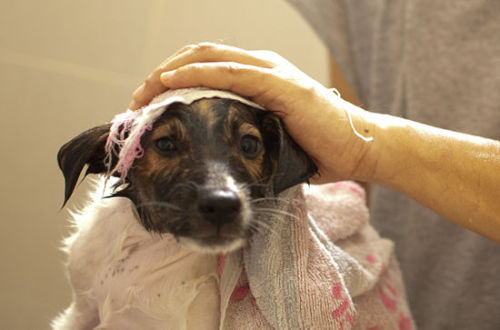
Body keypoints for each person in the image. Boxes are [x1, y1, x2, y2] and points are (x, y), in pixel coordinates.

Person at [128, 3, 500, 329]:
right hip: (401, 293)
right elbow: (357, 182)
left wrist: (364, 148)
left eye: (247, 146)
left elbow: (358, 140)